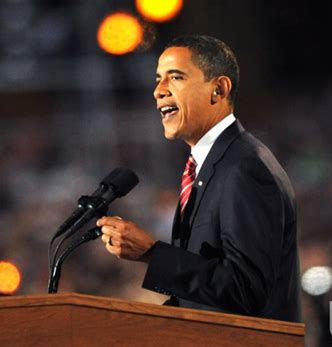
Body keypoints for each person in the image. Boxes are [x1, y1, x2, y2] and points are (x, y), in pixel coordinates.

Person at [97, 35, 301, 322]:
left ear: (218, 89)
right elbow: (208, 297)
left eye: (175, 77)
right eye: (158, 79)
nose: (159, 91)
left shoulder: (245, 167)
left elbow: (247, 291)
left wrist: (153, 254)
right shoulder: (206, 167)